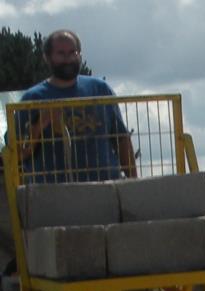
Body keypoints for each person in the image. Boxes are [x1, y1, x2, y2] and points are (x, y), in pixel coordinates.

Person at [16, 29, 136, 183]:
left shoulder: (100, 89)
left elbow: (121, 139)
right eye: (61, 53)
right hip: (52, 194)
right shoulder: (32, 99)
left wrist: (133, 181)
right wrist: (39, 125)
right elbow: (17, 154)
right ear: (47, 57)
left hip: (105, 189)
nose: (68, 59)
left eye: (73, 52)